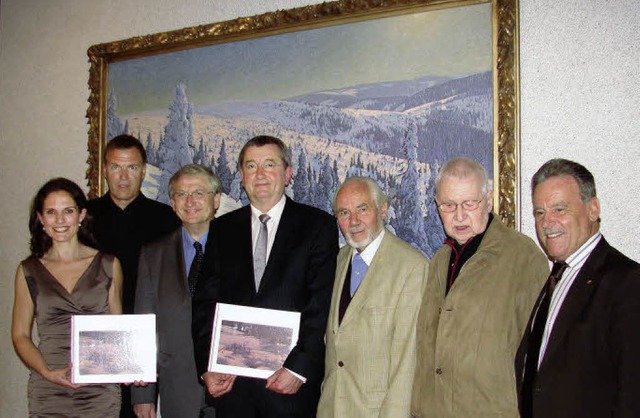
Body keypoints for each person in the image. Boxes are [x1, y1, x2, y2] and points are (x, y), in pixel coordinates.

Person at [192, 135, 339, 418]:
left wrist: (299, 367)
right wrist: (207, 365)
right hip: (232, 389)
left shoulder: (317, 226)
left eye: (269, 165)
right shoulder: (222, 230)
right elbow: (205, 303)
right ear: (242, 177)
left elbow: (320, 304)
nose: (259, 174)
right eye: (250, 166)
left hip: (290, 389)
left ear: (287, 174)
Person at [410, 157, 549, 418]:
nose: (459, 215)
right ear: (437, 206)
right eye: (449, 205)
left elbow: (541, 355)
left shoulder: (523, 258)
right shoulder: (440, 260)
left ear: (489, 200)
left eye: (469, 204)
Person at [515, 158, 640, 418]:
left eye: (559, 209)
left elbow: (632, 392)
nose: (547, 222)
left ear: (592, 209)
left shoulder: (626, 282)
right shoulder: (557, 277)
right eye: (539, 212)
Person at [316, 176, 428, 417]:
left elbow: (406, 363)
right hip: (331, 409)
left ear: (383, 210)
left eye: (362, 209)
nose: (353, 221)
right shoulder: (337, 260)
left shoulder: (411, 267)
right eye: (344, 213)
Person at [11, 178, 123, 417]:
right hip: (48, 386)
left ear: (81, 215)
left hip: (99, 389)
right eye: (51, 212)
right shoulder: (27, 271)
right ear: (41, 219)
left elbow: (119, 330)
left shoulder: (109, 264)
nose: (60, 220)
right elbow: (20, 335)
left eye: (68, 211)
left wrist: (132, 367)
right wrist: (47, 371)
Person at [87, 134, 179, 418]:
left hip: (149, 345)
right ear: (104, 169)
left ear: (144, 170)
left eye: (132, 168)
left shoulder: (167, 220)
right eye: (116, 167)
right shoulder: (84, 219)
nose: (124, 177)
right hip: (94, 344)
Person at [131, 164, 221, 418]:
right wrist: (143, 394)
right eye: (181, 194)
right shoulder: (153, 255)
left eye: (199, 193)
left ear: (216, 200)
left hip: (230, 391)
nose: (190, 201)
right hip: (176, 391)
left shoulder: (237, 248)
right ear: (172, 203)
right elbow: (144, 325)